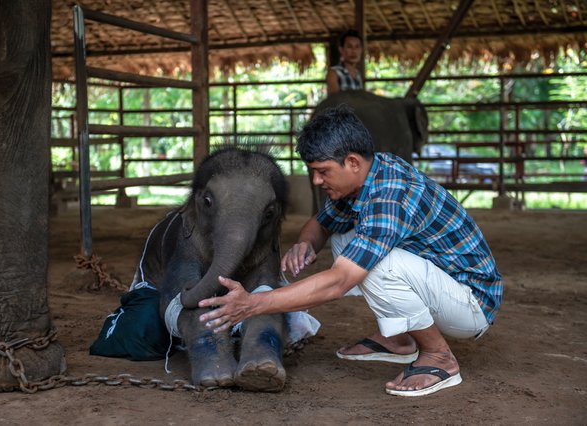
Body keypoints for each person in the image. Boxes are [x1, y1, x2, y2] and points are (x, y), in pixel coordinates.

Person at [198, 106, 503, 397]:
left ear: (353, 163)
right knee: (347, 238)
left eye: (322, 172)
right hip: (443, 283)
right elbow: (322, 223)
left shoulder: (388, 197)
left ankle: (439, 358)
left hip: (472, 304)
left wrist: (253, 304)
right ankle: (399, 338)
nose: (316, 181)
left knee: (379, 264)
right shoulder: (366, 176)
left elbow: (339, 281)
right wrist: (307, 242)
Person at [326, 29, 364, 94]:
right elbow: (334, 101)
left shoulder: (358, 74)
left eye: (357, 47)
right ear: (341, 50)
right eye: (349, 47)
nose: (354, 51)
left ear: (361, 50)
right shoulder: (334, 73)